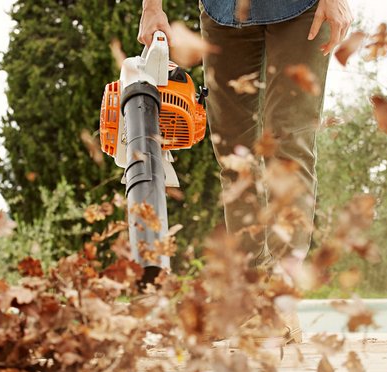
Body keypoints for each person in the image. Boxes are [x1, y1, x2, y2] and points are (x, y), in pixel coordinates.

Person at [138, 0, 353, 343]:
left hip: (302, 8)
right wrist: (152, 8)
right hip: (223, 10)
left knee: (288, 146)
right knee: (233, 157)